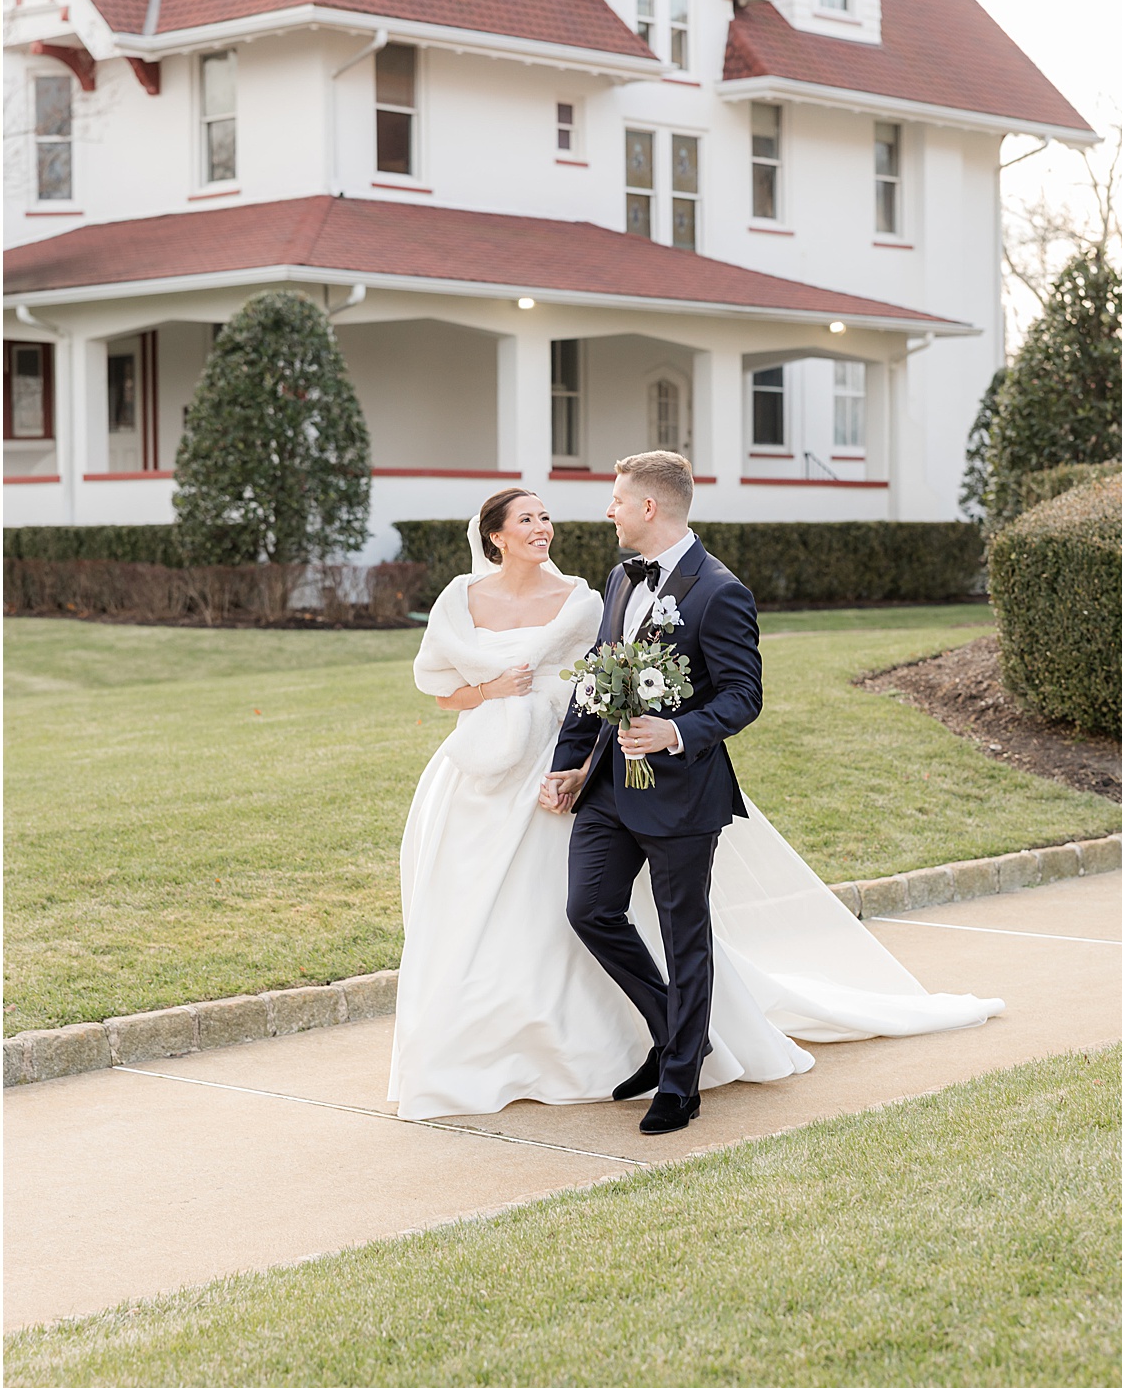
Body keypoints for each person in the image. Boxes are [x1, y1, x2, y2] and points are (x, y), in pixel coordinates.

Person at [389, 468, 1004, 1128]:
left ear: (647, 506)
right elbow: (598, 681)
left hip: (683, 793)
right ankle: (677, 1026)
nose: (607, 512)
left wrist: (677, 731)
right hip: (606, 789)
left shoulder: (721, 592)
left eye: (618, 502)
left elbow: (744, 696)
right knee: (589, 909)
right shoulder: (622, 580)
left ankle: (680, 1080)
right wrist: (571, 765)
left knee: (687, 935)